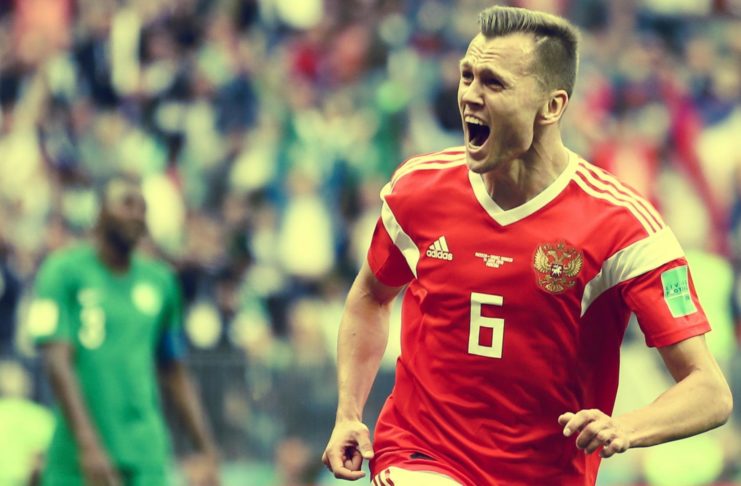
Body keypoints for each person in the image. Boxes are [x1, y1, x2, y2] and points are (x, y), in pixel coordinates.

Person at [322, 6, 733, 486]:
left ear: (551, 106)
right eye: (467, 76)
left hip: (544, 474)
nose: (469, 95)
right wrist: (348, 412)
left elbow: (709, 390)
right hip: (420, 455)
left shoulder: (622, 226)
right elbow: (370, 296)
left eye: (493, 83)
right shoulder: (418, 188)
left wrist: (627, 427)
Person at [28, 175, 220, 486]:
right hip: (76, 457)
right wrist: (88, 444)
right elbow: (57, 361)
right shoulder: (61, 272)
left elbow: (174, 371)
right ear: (99, 212)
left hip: (145, 454)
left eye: (143, 207)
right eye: (127, 204)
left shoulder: (161, 282)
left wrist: (206, 450)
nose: (137, 214)